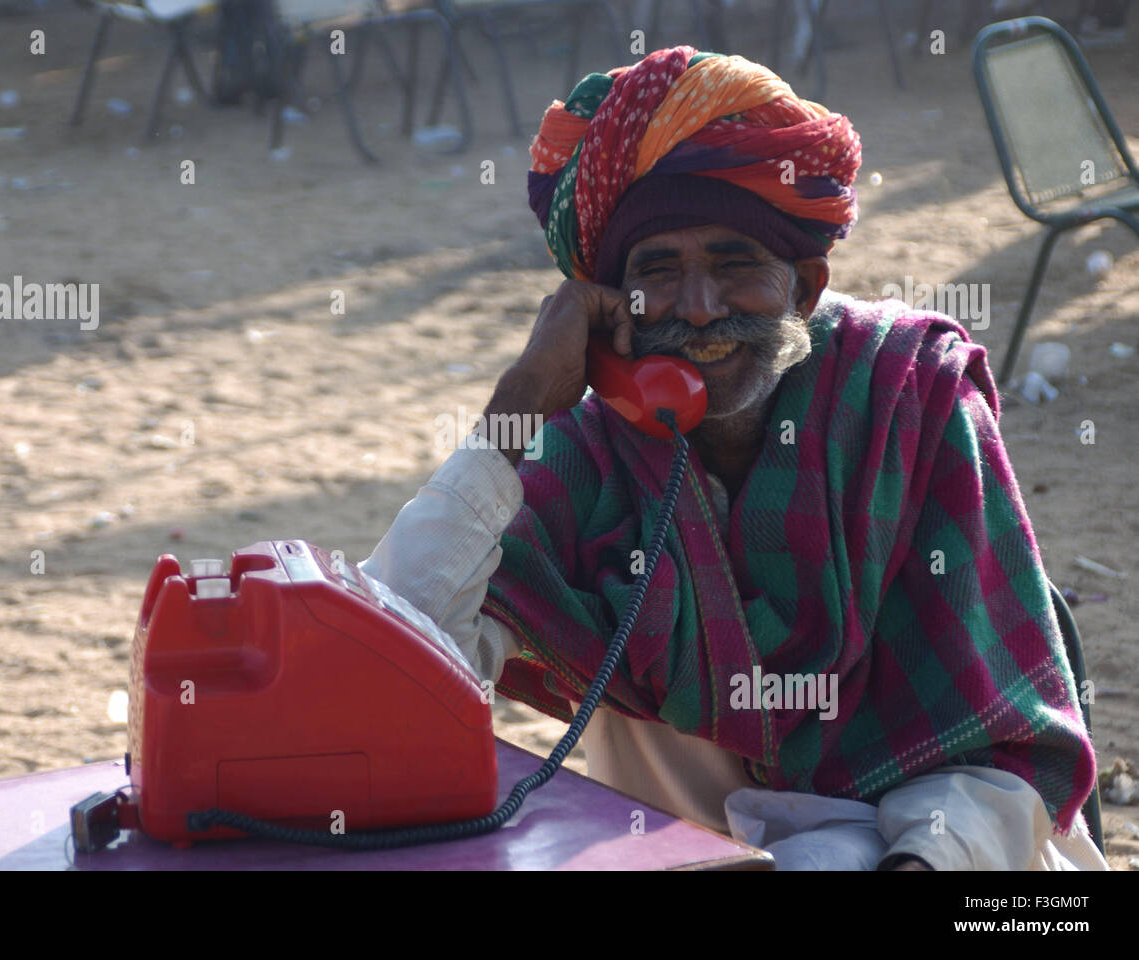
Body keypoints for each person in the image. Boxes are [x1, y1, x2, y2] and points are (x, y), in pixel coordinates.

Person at [361, 46, 1105, 870]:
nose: (701, 309)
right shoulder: (582, 453)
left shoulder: (911, 403)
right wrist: (515, 412)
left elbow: (1003, 755)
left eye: (735, 263)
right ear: (611, 303)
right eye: (657, 273)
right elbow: (383, 669)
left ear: (807, 285)